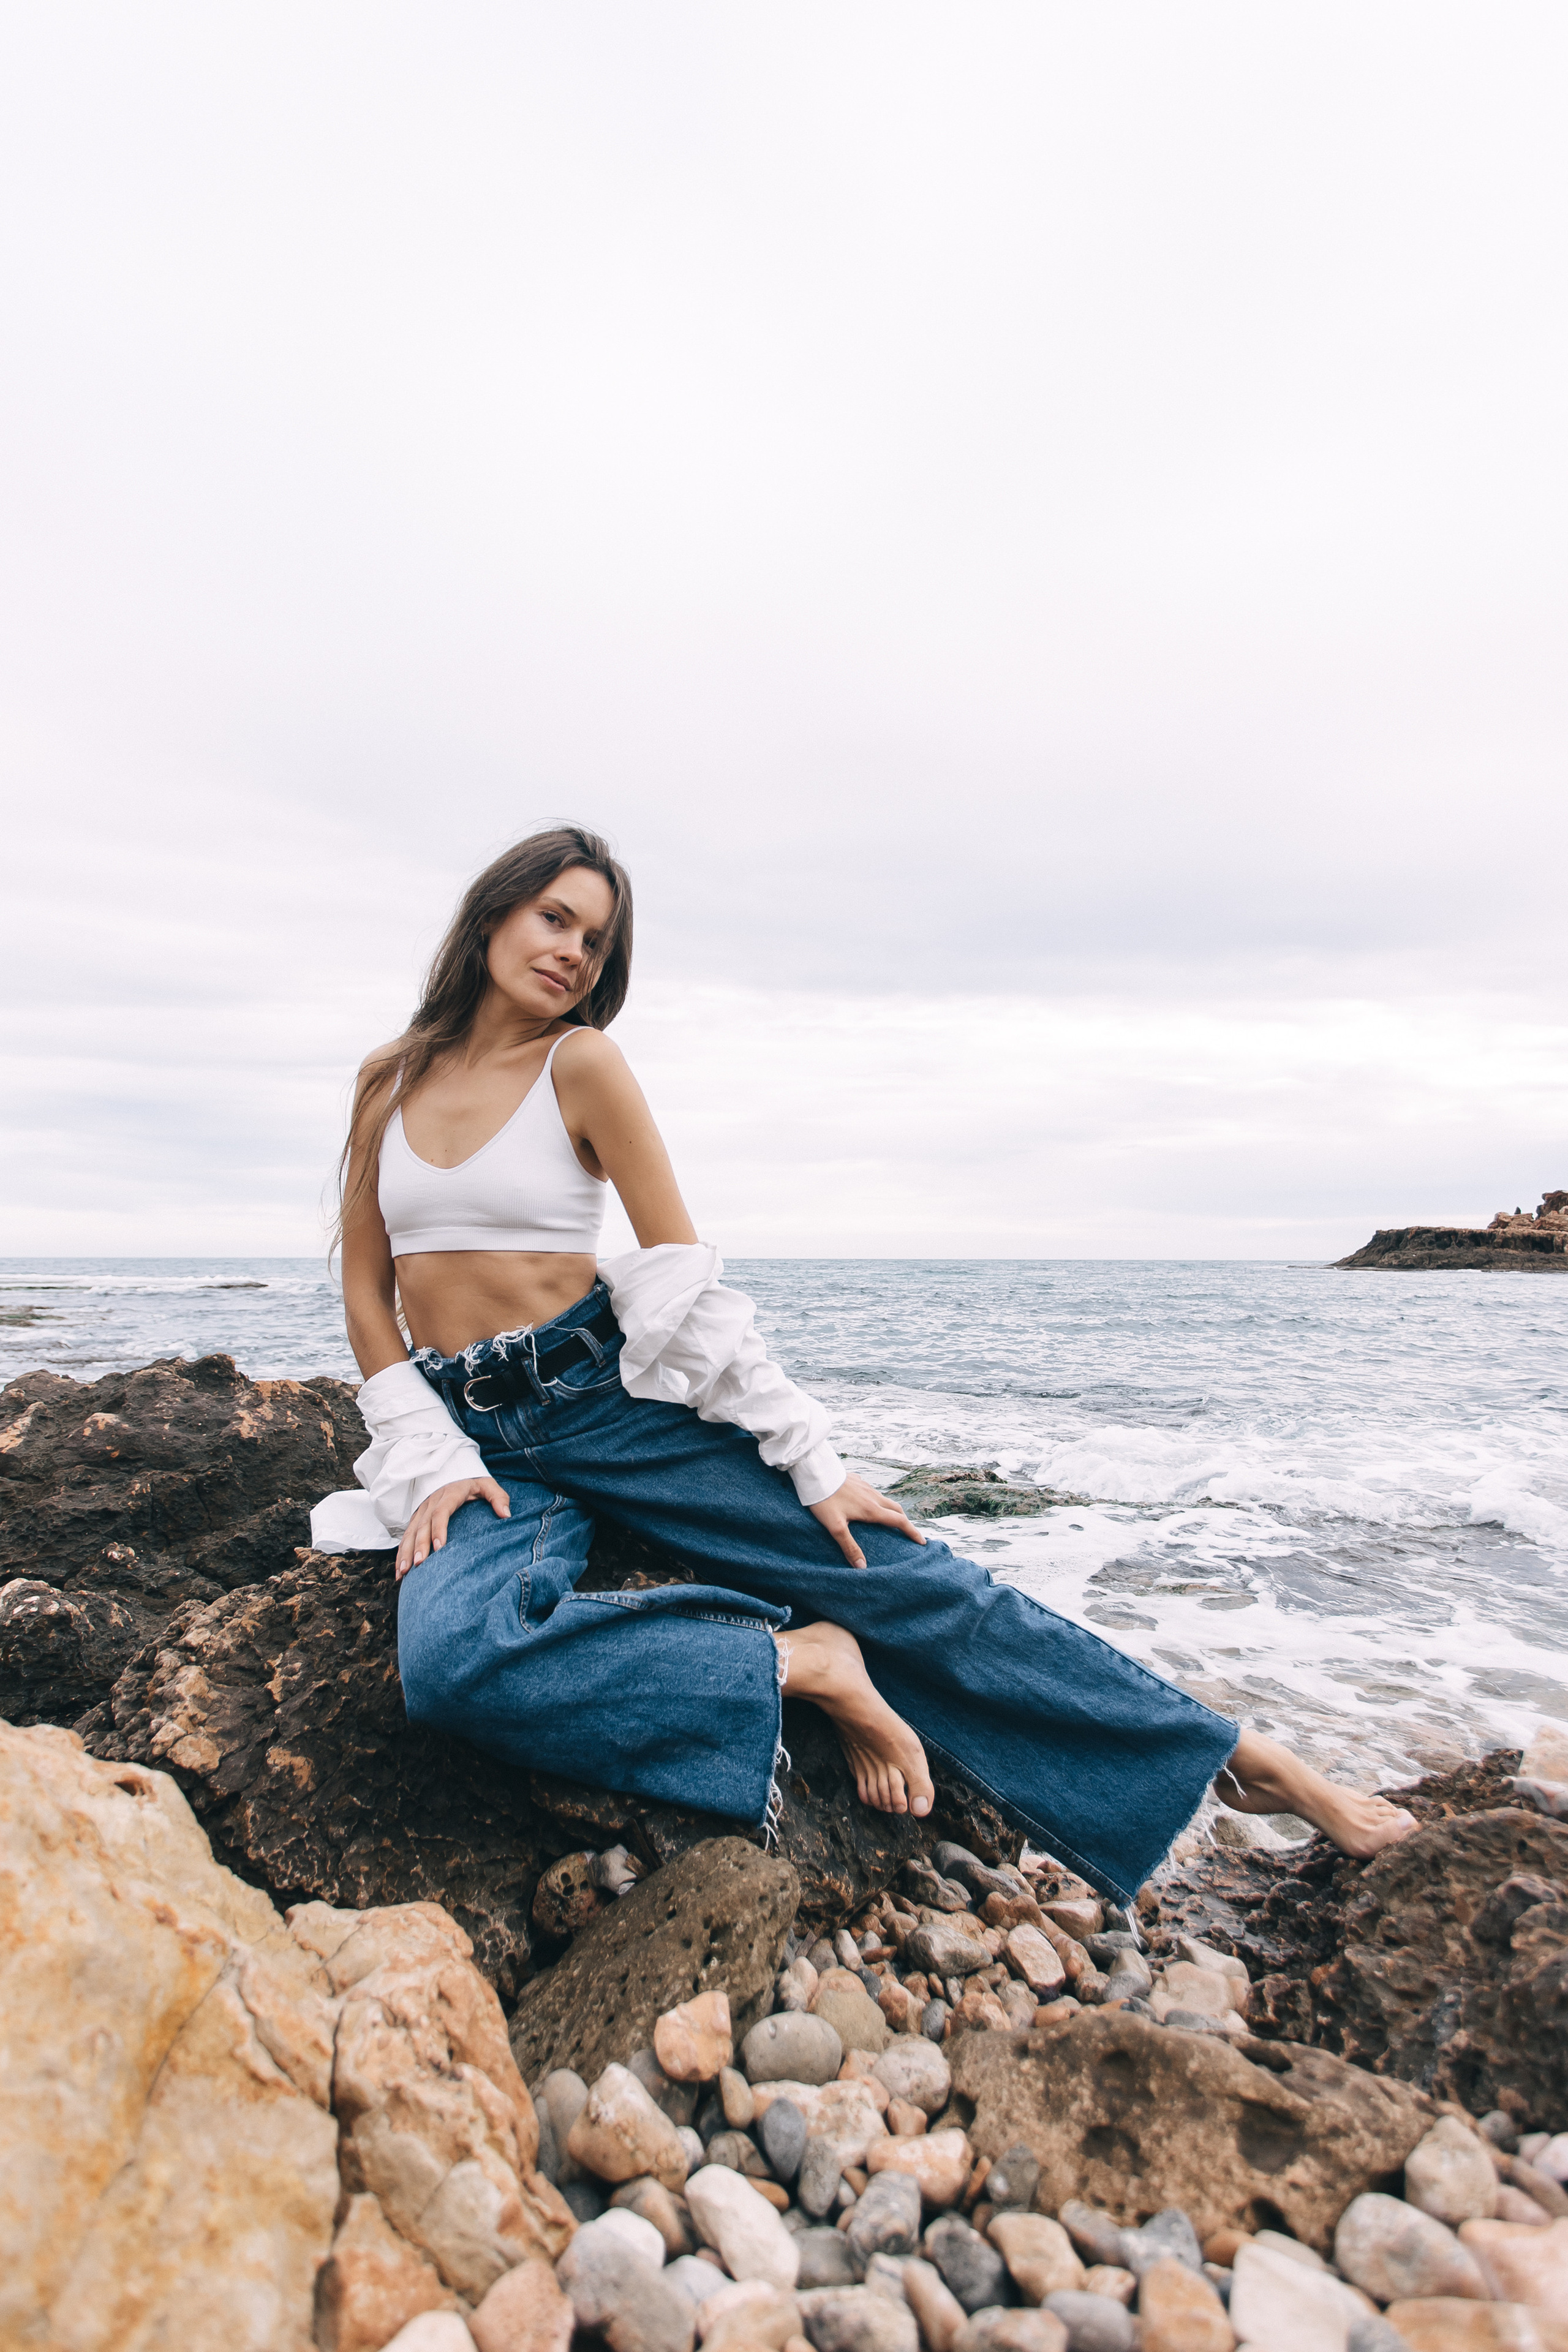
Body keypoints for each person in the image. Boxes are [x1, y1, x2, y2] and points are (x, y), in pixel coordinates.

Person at [328, 824, 1415, 1905]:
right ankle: (803, 1663)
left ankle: (1235, 1757)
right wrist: (432, 1457)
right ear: (494, 913)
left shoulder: (582, 1065)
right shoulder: (391, 1082)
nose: (574, 952)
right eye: (555, 918)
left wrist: (812, 1463)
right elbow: (368, 1293)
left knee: (898, 1577)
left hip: (607, 1405)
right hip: (475, 1444)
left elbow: (681, 1284)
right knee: (452, 1667)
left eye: (597, 941)